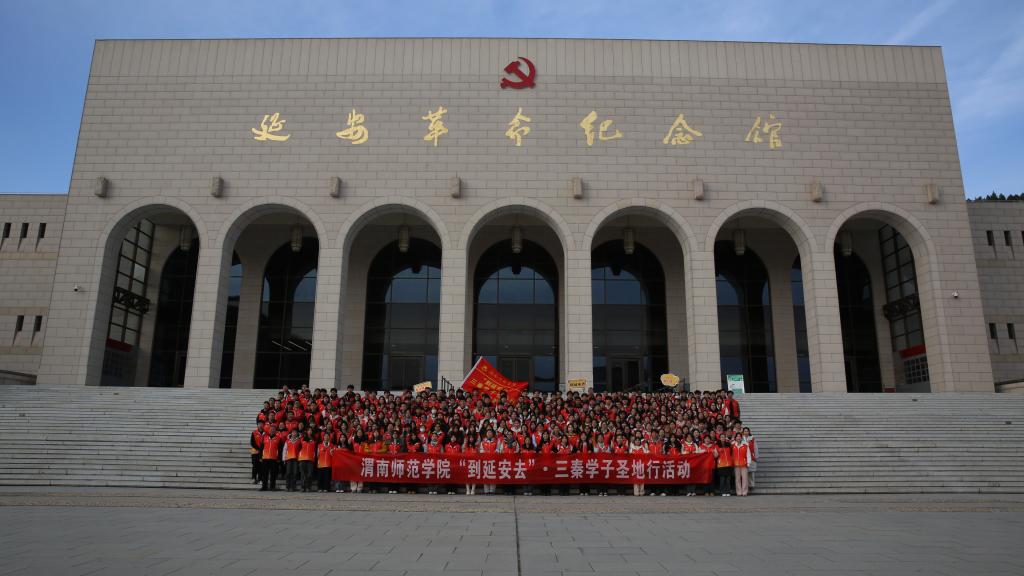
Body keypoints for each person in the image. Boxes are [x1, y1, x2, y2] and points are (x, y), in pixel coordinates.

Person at [259, 423, 281, 491]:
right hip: (265, 458)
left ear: (275, 431)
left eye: (273, 429)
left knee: (273, 474)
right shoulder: (265, 437)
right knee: (264, 473)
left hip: (274, 459)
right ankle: (264, 486)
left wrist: (279, 458)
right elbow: (261, 448)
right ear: (269, 430)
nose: (272, 430)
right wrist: (260, 457)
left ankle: (272, 487)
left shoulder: (278, 439)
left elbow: (280, 449)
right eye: (271, 429)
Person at [249, 419, 263, 485]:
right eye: (259, 424)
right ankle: (254, 478)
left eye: (262, 424)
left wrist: (262, 449)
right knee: (255, 465)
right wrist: (258, 448)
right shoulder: (254, 432)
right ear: (257, 425)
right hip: (255, 452)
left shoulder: (266, 433)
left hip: (262, 453)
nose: (260, 425)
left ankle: (260, 479)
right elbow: (252, 442)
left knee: (261, 466)